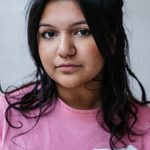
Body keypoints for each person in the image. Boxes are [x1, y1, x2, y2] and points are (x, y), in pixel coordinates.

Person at [0, 0, 150, 149]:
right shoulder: (5, 114)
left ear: (111, 39)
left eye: (82, 32)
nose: (64, 50)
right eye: (49, 34)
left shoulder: (146, 126)